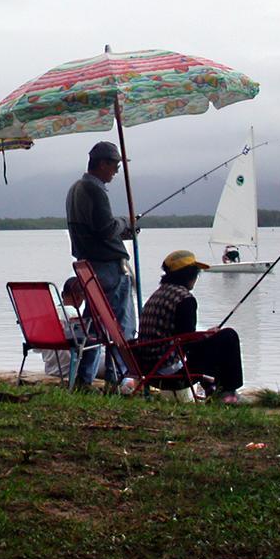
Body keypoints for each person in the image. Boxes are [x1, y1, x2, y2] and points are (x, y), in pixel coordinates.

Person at [66, 141, 138, 386]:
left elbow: (96, 231)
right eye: (115, 165)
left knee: (95, 327)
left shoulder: (75, 188)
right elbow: (107, 228)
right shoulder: (94, 190)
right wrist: (125, 223)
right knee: (119, 327)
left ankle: (83, 379)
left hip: (90, 266)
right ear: (102, 163)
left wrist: (122, 230)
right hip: (109, 268)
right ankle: (116, 378)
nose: (116, 171)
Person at [137, 250, 244, 403]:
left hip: (147, 366)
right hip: (167, 371)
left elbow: (182, 336)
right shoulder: (184, 299)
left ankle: (215, 390)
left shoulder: (157, 295)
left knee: (216, 340)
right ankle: (228, 394)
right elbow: (188, 345)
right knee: (228, 337)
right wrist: (209, 338)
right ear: (189, 275)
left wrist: (205, 336)